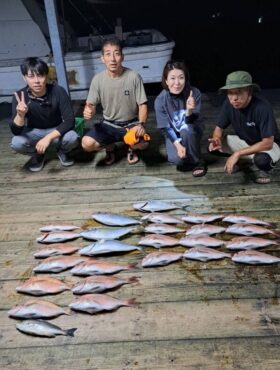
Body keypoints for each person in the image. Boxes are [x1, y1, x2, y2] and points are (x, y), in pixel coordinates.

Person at [82, 37, 149, 165]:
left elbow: (143, 105)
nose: (112, 59)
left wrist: (141, 124)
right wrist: (89, 110)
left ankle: (131, 148)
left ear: (122, 57)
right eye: (108, 54)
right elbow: (90, 104)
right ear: (102, 59)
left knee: (143, 144)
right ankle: (110, 147)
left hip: (131, 124)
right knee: (86, 144)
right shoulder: (97, 79)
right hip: (108, 125)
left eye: (116, 53)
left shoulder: (133, 76)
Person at [208, 70, 280, 184]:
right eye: (230, 93)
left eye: (239, 92)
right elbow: (218, 129)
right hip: (246, 142)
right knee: (213, 146)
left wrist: (238, 153)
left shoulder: (262, 107)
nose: (234, 98)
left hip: (267, 146)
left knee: (261, 160)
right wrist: (216, 139)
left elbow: (268, 143)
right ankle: (247, 158)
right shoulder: (229, 103)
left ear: (249, 92)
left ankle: (263, 165)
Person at [10, 57, 79, 172]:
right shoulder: (20, 96)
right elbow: (16, 131)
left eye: (40, 76)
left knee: (72, 137)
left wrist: (47, 138)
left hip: (55, 130)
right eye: (31, 76)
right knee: (16, 143)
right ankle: (38, 154)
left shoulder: (58, 91)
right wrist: (20, 115)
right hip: (34, 132)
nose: (36, 81)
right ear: (24, 78)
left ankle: (61, 150)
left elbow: (69, 121)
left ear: (46, 76)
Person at [154, 60, 206, 176]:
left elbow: (192, 122)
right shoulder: (160, 100)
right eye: (172, 78)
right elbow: (166, 128)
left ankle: (198, 162)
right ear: (166, 80)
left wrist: (189, 110)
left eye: (181, 78)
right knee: (176, 160)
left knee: (186, 130)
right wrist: (177, 145)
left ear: (186, 79)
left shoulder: (194, 93)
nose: (177, 83)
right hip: (173, 133)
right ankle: (187, 151)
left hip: (191, 128)